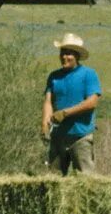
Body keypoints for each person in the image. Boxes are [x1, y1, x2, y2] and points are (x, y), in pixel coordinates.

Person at [42, 33, 102, 175]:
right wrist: (44, 124)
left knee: (85, 179)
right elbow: (48, 101)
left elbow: (92, 102)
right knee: (53, 179)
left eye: (68, 54)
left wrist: (65, 113)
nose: (64, 57)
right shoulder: (54, 76)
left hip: (81, 136)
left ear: (77, 56)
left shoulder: (89, 74)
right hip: (58, 136)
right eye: (62, 53)